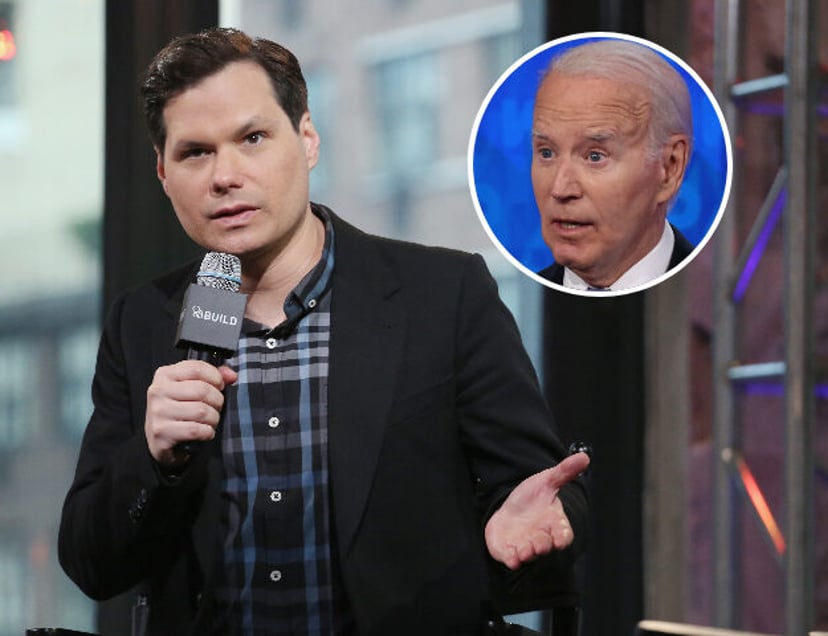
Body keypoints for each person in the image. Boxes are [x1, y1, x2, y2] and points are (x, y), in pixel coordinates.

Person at [58, 27, 590, 636]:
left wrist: (519, 529)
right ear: (162, 173)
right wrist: (153, 459)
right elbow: (90, 562)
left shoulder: (442, 294)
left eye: (252, 138)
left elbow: (545, 496)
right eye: (195, 152)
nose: (225, 175)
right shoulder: (144, 322)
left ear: (307, 139)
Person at [533, 38, 694, 292]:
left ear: (670, 167)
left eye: (595, 156)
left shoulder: (708, 298)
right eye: (547, 153)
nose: (561, 189)